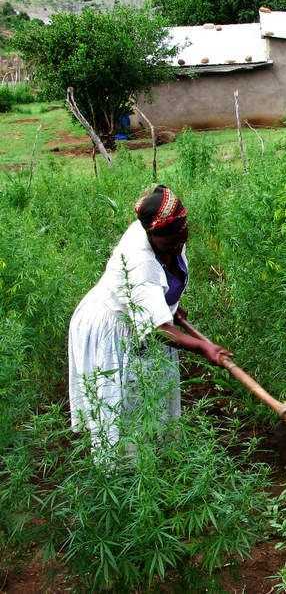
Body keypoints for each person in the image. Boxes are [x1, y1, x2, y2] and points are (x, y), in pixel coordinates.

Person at [68, 185, 230, 452]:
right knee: (124, 407)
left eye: (181, 237)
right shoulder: (140, 261)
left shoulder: (171, 234)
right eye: (170, 241)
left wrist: (169, 305)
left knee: (153, 394)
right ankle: (125, 469)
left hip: (144, 321)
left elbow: (164, 281)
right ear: (151, 235)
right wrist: (203, 346)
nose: (178, 245)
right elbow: (157, 329)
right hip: (112, 327)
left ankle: (155, 455)